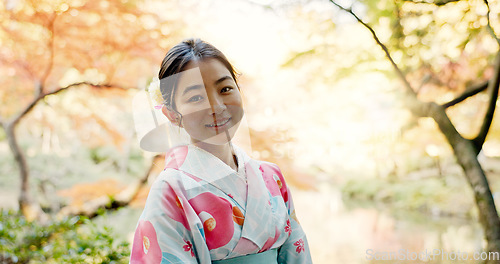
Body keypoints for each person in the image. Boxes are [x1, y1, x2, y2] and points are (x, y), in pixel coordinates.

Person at [130, 38, 312, 264]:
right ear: (172, 114)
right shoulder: (170, 190)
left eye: (225, 89)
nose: (216, 106)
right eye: (196, 98)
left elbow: (297, 256)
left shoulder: (272, 176)